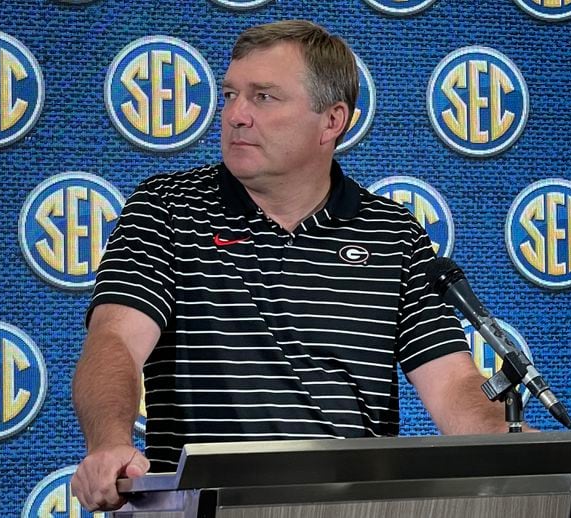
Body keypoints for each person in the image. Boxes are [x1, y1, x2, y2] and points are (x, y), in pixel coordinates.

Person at [71, 20, 520, 512]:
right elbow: (114, 339)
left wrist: (511, 448)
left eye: (263, 97)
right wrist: (108, 443)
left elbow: (453, 381)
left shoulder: (391, 232)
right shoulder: (166, 208)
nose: (236, 115)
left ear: (332, 121)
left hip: (353, 506)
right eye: (229, 95)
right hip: (205, 505)